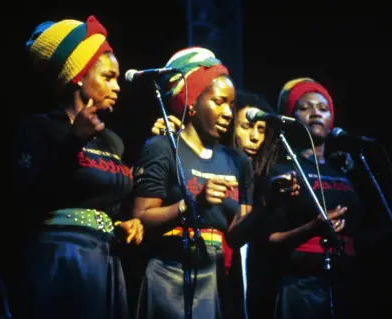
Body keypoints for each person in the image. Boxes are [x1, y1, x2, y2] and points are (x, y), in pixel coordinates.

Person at [6, 15, 143, 319]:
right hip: (61, 258)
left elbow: (106, 201)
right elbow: (28, 195)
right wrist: (73, 141)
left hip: (105, 258)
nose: (117, 87)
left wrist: (123, 223)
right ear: (80, 76)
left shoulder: (114, 142)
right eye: (108, 77)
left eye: (117, 78)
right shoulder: (41, 129)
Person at [133, 47, 254, 319]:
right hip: (169, 273)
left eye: (231, 105)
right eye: (219, 101)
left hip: (217, 275)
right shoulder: (163, 147)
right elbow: (141, 217)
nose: (228, 113)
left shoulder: (239, 162)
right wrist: (192, 205)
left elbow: (236, 236)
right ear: (192, 101)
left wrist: (270, 208)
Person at [150, 90, 290, 318]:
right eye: (246, 127)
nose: (254, 137)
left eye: (261, 130)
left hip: (230, 276)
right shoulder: (189, 155)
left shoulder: (262, 177)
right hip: (184, 267)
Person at [252, 77, 365, 319]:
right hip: (300, 286)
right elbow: (268, 240)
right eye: (305, 108)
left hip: (346, 284)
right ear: (290, 118)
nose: (315, 113)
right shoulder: (282, 171)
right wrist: (313, 228)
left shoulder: (344, 171)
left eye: (323, 109)